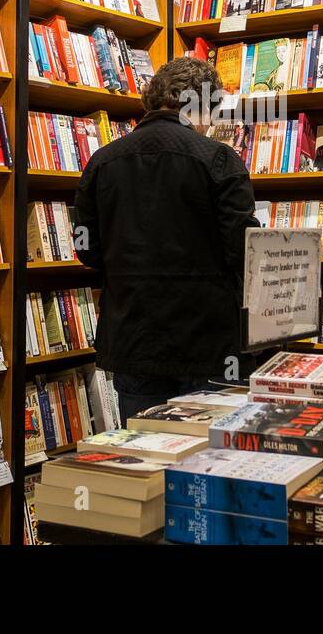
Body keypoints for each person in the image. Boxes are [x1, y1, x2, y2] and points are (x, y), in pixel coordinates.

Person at [74, 56, 258, 420]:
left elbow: (87, 250)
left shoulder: (101, 161)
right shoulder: (219, 159)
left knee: (145, 461)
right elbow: (244, 252)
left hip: (134, 341)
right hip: (210, 343)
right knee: (208, 460)